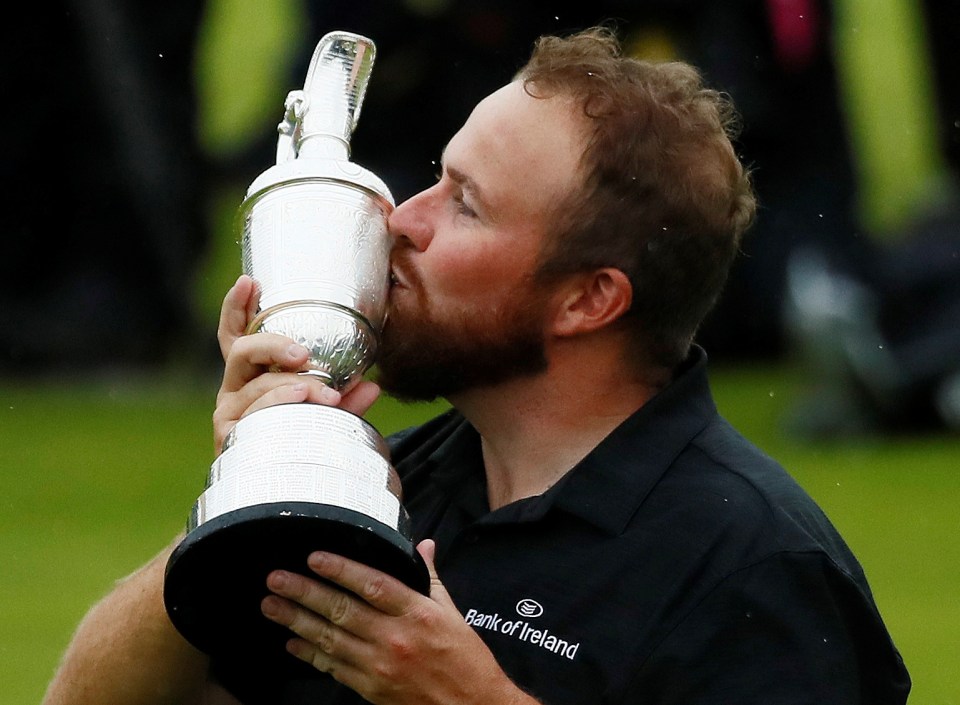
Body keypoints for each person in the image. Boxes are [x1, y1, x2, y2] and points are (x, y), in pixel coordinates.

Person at [42, 26, 910, 705]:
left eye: (466, 205)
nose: (399, 220)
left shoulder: (754, 568)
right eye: (434, 179)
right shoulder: (383, 485)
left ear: (589, 300)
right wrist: (252, 482)